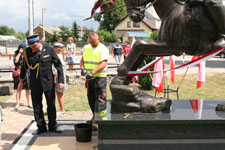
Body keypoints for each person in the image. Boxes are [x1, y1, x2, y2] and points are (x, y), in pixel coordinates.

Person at [20, 34, 64, 135]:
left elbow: (58, 65)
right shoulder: (27, 52)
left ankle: (53, 125)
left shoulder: (49, 50)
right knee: (37, 106)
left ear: (39, 42)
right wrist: (21, 80)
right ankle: (41, 126)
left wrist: (60, 81)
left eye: (34, 45)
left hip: (48, 82)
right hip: (35, 83)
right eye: (30, 46)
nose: (32, 47)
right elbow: (24, 67)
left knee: (51, 105)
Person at [80, 32, 109, 130]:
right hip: (90, 78)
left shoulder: (103, 49)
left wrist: (92, 72)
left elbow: (103, 63)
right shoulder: (87, 48)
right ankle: (94, 117)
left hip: (99, 78)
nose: (92, 44)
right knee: (91, 98)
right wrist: (82, 69)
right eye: (91, 42)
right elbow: (82, 60)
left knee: (100, 100)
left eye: (94, 42)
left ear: (98, 39)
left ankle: (99, 121)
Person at [13, 44, 32, 110]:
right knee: (19, 89)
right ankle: (17, 103)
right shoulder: (16, 54)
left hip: (26, 73)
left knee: (27, 89)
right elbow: (16, 61)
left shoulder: (26, 54)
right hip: (18, 73)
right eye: (21, 49)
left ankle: (29, 103)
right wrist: (19, 53)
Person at [53, 42, 67, 117]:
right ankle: (62, 110)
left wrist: (55, 79)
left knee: (59, 94)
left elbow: (56, 69)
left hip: (58, 77)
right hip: (61, 76)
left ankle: (62, 110)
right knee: (60, 94)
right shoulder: (61, 55)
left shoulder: (57, 56)